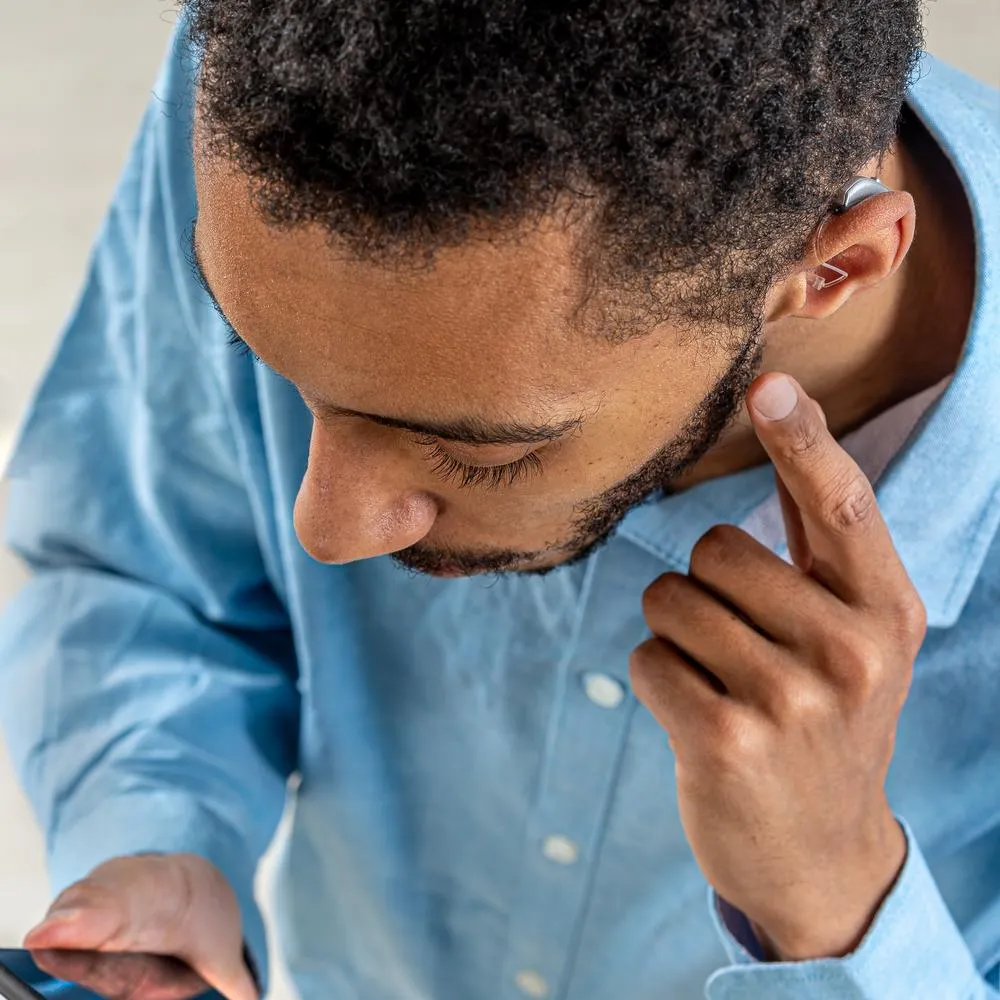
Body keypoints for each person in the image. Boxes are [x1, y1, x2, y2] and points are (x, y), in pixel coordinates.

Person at [0, 1, 997, 998]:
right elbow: (148, 566)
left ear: (838, 265)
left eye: (478, 449)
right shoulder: (270, 91)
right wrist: (163, 833)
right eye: (261, 355)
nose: (323, 531)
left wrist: (837, 906)